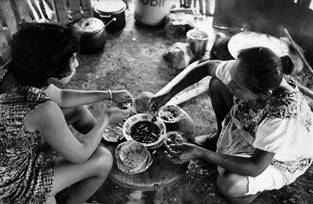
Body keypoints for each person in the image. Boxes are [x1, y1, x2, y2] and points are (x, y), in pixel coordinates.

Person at [148, 47, 313, 203]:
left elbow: (255, 166)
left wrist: (200, 153)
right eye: (232, 77)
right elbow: (207, 67)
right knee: (217, 83)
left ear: (264, 94)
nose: (231, 83)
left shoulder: (281, 117)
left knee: (229, 184)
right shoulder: (245, 73)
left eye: (238, 87)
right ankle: (220, 138)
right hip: (256, 131)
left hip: (277, 159)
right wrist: (167, 94)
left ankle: (249, 191)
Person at [0, 22, 134, 204]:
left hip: (10, 146)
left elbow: (61, 97)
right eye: (72, 59)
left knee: (78, 110)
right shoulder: (42, 108)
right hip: (11, 181)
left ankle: (105, 142)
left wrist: (108, 95)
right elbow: (79, 155)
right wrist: (107, 118)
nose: (77, 63)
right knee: (103, 159)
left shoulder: (15, 70)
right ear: (51, 71)